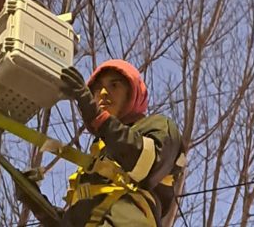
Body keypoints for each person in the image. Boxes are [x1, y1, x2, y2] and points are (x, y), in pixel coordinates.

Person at [16, 59, 185, 227]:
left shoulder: (157, 126)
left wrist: (97, 116)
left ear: (133, 92)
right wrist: (35, 201)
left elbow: (146, 164)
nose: (103, 93)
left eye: (114, 85)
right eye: (97, 89)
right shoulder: (99, 156)